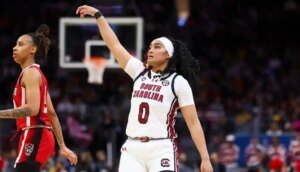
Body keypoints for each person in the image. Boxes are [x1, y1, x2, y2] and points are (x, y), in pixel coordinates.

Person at [76, 5, 213, 172]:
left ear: (168, 55)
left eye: (157, 47)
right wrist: (98, 15)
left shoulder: (178, 82)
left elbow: (193, 123)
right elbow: (114, 45)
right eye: (150, 47)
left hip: (161, 147)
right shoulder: (139, 71)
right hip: (132, 148)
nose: (151, 50)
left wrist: (205, 158)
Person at [0, 24, 77, 171]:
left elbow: (32, 109)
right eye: (15, 44)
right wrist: (63, 146)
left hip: (35, 132)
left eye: (20, 44)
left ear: (32, 49)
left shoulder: (31, 73)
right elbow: (52, 113)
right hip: (41, 135)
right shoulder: (36, 74)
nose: (14, 48)